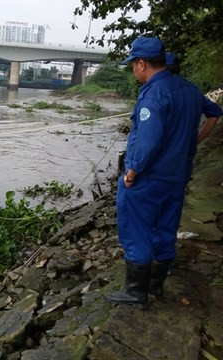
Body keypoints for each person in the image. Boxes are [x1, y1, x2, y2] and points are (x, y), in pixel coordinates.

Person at [105, 37, 222, 306]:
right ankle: (156, 286)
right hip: (177, 176)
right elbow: (214, 113)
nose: (133, 70)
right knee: (165, 228)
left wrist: (133, 171)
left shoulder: (153, 94)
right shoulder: (190, 90)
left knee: (137, 231)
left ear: (142, 63)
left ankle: (136, 292)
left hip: (149, 178)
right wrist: (196, 140)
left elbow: (149, 140)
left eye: (133, 64)